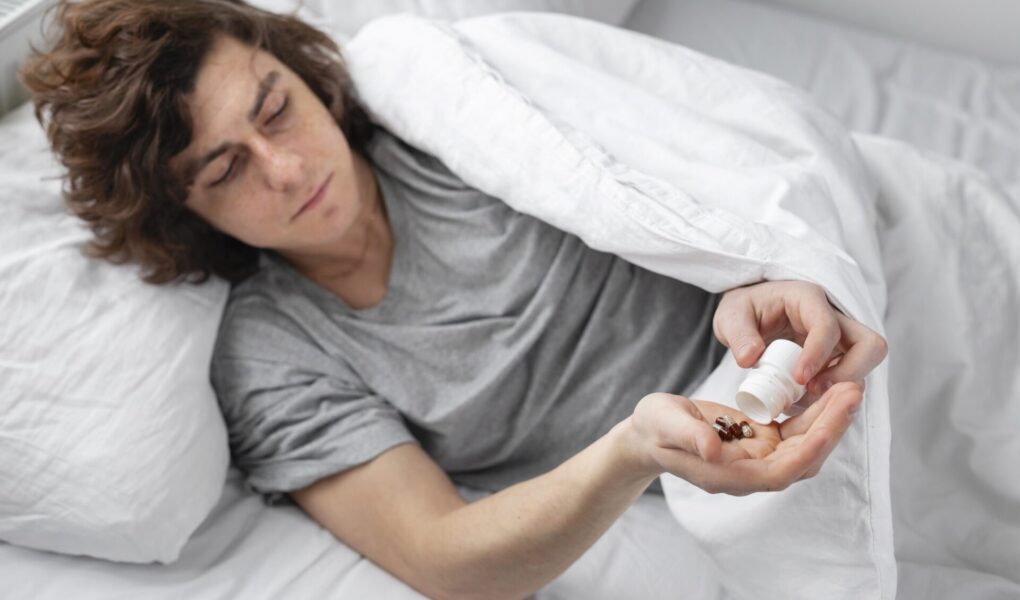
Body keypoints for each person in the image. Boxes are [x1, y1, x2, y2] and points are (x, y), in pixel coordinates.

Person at [22, 1, 888, 598]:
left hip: (834, 313)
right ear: (185, 212)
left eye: (275, 110)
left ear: (300, 73)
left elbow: (693, 169)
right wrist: (635, 449)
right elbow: (445, 558)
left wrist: (764, 270)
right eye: (225, 168)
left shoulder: (440, 113)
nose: (287, 169)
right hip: (724, 464)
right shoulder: (277, 351)